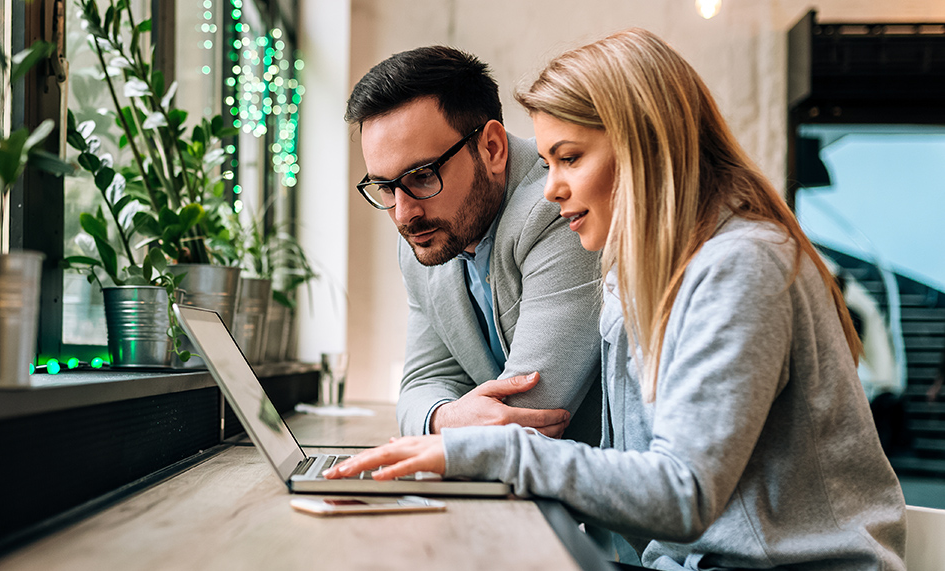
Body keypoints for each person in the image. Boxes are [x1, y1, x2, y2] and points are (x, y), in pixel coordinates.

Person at [327, 29, 906, 570]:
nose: (551, 188)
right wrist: (451, 435)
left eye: (570, 158)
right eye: (550, 161)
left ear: (645, 149)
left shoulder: (742, 265)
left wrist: (471, 452)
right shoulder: (637, 276)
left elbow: (684, 493)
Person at [345, 46, 604, 444]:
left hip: (591, 493)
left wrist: (446, 423)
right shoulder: (428, 236)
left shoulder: (564, 209)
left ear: (492, 149)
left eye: (423, 176)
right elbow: (422, 383)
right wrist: (444, 418)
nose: (402, 214)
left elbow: (528, 413)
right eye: (385, 187)